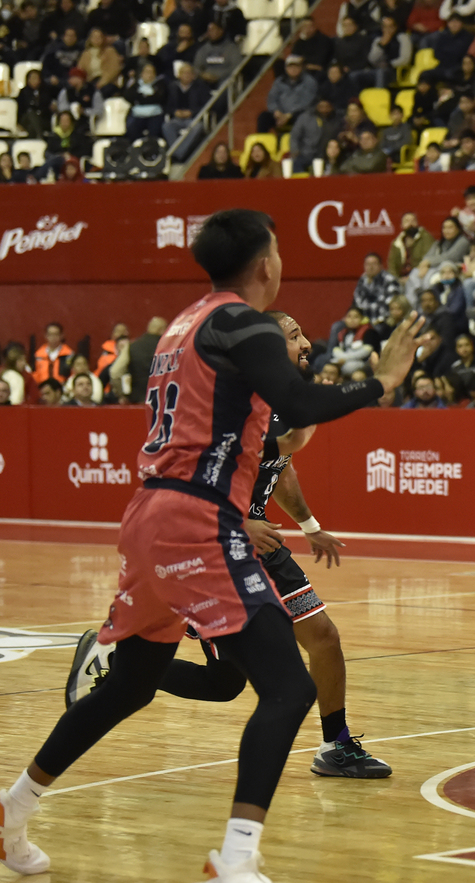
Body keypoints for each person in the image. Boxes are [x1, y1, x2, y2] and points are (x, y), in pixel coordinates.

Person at [0, 210, 426, 882]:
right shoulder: (241, 322)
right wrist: (385, 382)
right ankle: (236, 857)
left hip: (150, 512)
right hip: (196, 520)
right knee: (287, 686)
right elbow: (298, 400)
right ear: (265, 264)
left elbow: (270, 425)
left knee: (131, 685)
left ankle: (13, 809)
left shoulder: (182, 325)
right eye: (278, 250)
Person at [68, 312, 391, 779]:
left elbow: (280, 467)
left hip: (260, 546)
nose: (306, 342)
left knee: (322, 639)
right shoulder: (238, 402)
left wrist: (309, 524)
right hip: (216, 547)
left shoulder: (279, 401)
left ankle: (335, 746)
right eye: (294, 335)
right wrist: (239, 522)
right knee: (226, 685)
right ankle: (114, 662)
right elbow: (196, 480)